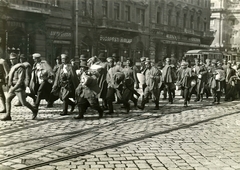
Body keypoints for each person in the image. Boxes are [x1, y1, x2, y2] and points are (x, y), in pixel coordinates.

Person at [1, 53, 38, 121]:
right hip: (13, 87)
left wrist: (14, 88)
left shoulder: (20, 67)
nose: (11, 61)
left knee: (23, 102)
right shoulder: (13, 67)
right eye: (10, 59)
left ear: (16, 59)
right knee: (8, 99)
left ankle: (34, 110)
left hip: (19, 88)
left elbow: (20, 80)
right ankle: (8, 115)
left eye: (13, 59)